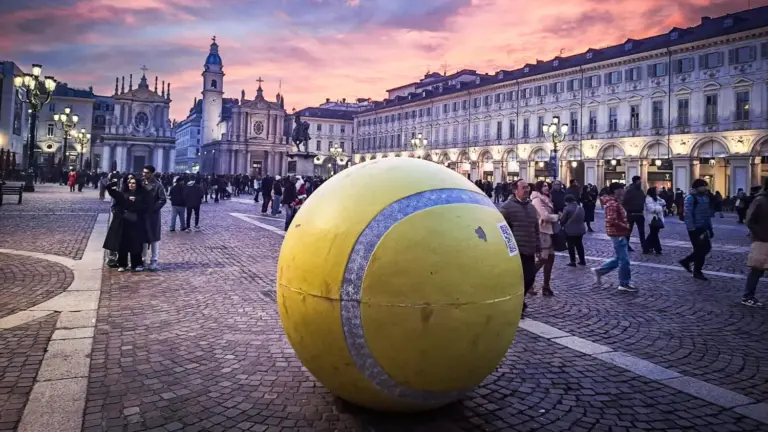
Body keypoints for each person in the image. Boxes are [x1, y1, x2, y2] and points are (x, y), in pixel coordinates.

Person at [500, 179, 541, 316]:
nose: (527, 190)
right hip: (516, 251)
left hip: (529, 249)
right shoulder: (507, 207)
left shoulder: (530, 206)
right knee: (519, 279)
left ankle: (519, 301)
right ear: (515, 190)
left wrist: (538, 247)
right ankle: (517, 304)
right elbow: (501, 229)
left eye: (528, 187)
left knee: (530, 278)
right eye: (524, 187)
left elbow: (536, 228)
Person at [592, 182, 635, 291]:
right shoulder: (612, 203)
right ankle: (624, 283)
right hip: (617, 233)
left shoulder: (615, 202)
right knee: (624, 260)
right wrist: (625, 225)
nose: (624, 191)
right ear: (617, 191)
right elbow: (611, 220)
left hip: (619, 232)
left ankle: (600, 271)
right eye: (622, 189)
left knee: (619, 258)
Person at [103, 177, 148, 272]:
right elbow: (112, 192)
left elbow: (145, 207)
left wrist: (134, 203)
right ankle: (122, 264)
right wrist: (113, 184)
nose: (131, 185)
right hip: (124, 222)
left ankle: (136, 264)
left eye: (133, 183)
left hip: (136, 223)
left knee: (135, 244)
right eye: (130, 183)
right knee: (122, 243)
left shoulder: (142, 194)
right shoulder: (123, 194)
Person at [679, 179, 713, 281]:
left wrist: (710, 228)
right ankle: (697, 271)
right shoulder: (690, 198)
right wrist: (691, 228)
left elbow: (707, 215)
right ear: (697, 187)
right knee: (701, 249)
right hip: (695, 228)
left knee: (706, 248)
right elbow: (688, 214)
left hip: (703, 227)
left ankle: (687, 262)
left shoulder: (705, 197)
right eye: (703, 186)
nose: (705, 188)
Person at [531, 181, 559, 297]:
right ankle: (528, 281)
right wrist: (557, 217)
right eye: (544, 186)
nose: (547, 187)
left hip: (550, 231)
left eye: (547, 186)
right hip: (542, 231)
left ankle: (546, 286)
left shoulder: (547, 198)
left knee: (551, 259)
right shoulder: (537, 199)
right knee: (542, 259)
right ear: (539, 188)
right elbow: (544, 216)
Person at [743, 181, 768, 307]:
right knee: (757, 269)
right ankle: (748, 296)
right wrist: (761, 234)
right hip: (762, 240)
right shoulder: (760, 200)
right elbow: (749, 220)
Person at [142, 165, 167, 271]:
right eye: (143, 172)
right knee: (142, 238)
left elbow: (163, 199)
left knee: (154, 238)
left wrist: (153, 208)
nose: (144, 174)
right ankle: (143, 260)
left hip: (153, 215)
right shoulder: (141, 184)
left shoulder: (158, 185)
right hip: (142, 215)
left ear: (152, 173)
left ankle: (154, 260)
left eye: (147, 172)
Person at [622, 176, 646, 253]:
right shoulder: (629, 191)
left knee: (642, 232)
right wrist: (628, 209)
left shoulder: (641, 191)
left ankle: (644, 247)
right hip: (631, 214)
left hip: (639, 213)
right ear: (635, 181)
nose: (641, 182)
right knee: (628, 231)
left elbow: (643, 199)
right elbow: (624, 202)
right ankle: (626, 245)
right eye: (639, 181)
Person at [561, 194, 586, 267]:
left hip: (570, 230)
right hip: (580, 229)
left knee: (571, 246)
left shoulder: (567, 208)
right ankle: (582, 260)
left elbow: (563, 220)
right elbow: (583, 218)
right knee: (579, 245)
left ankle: (572, 261)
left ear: (566, 201)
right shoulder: (580, 208)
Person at [644, 186, 665, 255]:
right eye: (657, 190)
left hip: (657, 218)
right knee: (654, 234)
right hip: (652, 219)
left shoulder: (656, 198)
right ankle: (657, 249)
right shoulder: (649, 199)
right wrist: (660, 208)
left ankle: (647, 247)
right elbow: (652, 209)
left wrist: (660, 202)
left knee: (653, 234)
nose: (658, 191)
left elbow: (664, 202)